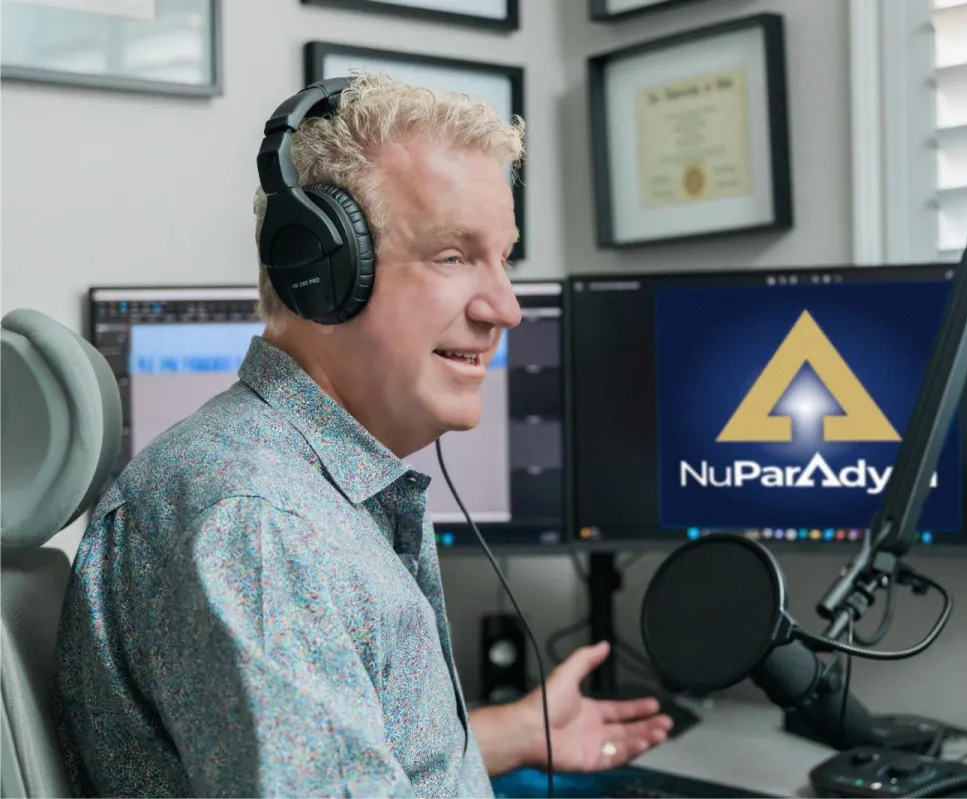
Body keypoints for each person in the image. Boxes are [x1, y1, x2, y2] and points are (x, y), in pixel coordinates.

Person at [54, 72, 673, 797]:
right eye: (452, 255)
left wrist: (502, 735)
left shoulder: (298, 492)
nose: (506, 308)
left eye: (503, 258)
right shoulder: (261, 528)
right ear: (320, 270)